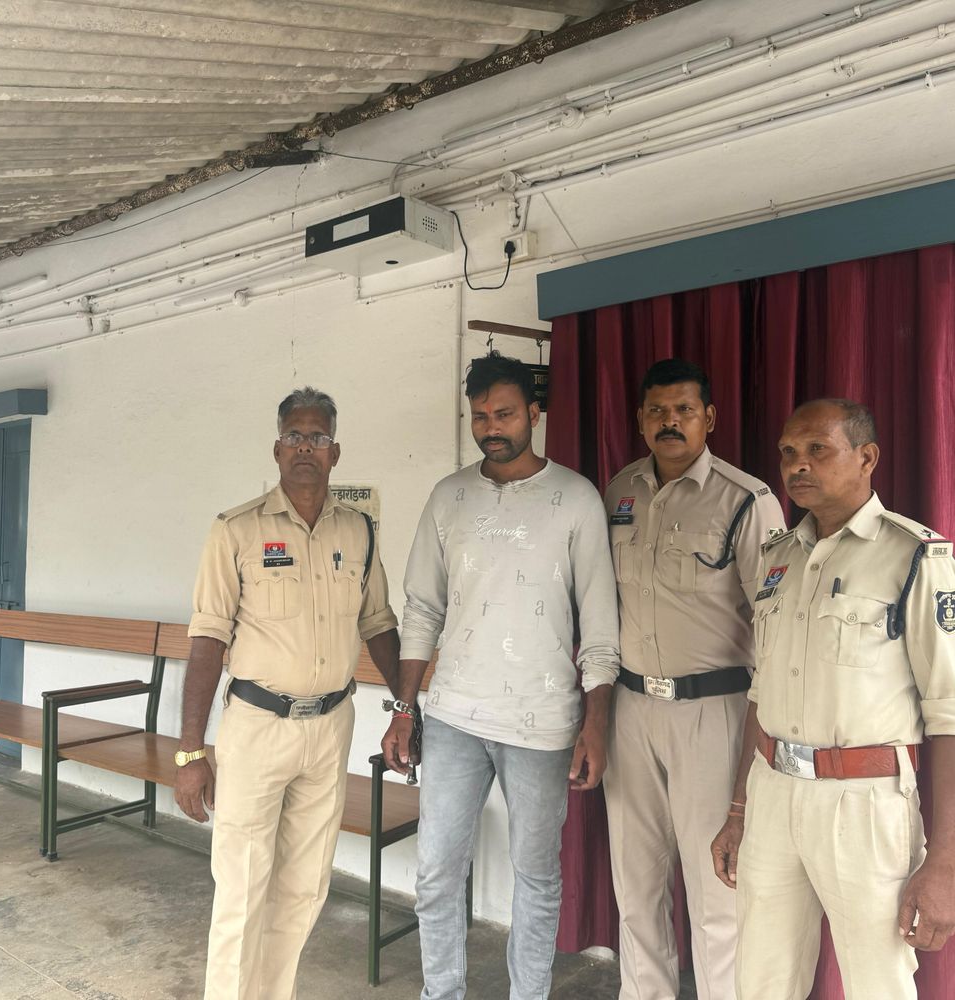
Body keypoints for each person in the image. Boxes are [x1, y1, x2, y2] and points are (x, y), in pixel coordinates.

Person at [381, 352, 620, 1000]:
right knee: (436, 872)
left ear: (534, 414)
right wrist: (404, 709)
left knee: (535, 878)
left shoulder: (576, 498)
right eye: (481, 415)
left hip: (542, 725)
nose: (492, 427)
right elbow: (422, 609)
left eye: (506, 414)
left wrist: (595, 725)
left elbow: (600, 627)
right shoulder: (448, 497)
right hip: (453, 716)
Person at [710, 399, 955, 999]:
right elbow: (761, 693)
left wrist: (946, 860)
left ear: (867, 458)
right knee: (762, 980)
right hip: (773, 793)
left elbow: (949, 713)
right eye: (788, 453)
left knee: (877, 983)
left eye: (817, 450)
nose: (798, 465)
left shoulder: (915, 556)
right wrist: (739, 809)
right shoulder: (778, 558)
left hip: (863, 804)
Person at [174, 387, 400, 1000]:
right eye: (295, 436)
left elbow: (378, 623)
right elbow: (207, 641)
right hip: (257, 728)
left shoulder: (359, 531)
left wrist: (407, 705)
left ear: (335, 452)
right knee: (242, 890)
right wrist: (191, 752)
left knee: (304, 889)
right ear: (276, 449)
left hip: (329, 730)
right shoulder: (236, 530)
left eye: (318, 437)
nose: (306, 447)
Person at [602, 358, 785, 1000]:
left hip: (715, 712)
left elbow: (773, 624)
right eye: (657, 411)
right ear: (640, 420)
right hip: (630, 709)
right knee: (635, 886)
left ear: (709, 417)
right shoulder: (619, 492)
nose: (670, 422)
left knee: (717, 893)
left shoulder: (747, 500)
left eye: (683, 410)